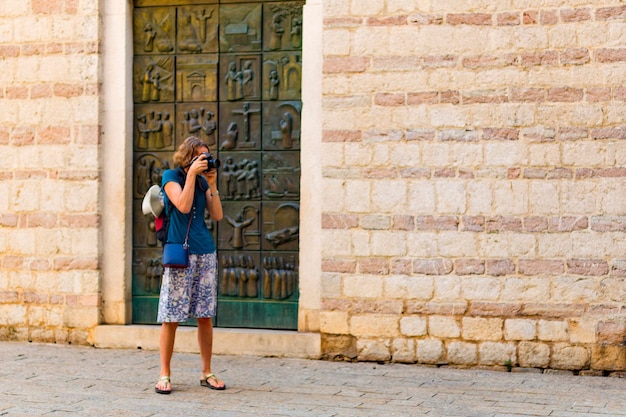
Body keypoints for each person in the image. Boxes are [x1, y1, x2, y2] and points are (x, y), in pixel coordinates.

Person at [154, 136, 225, 394]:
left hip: (204, 251)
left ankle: (207, 372)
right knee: (171, 316)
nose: (205, 160)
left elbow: (217, 215)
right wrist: (193, 176)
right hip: (180, 254)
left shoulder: (205, 180)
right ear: (188, 157)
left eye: (207, 156)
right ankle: (164, 374)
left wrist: (213, 184)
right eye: (200, 156)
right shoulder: (170, 176)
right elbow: (182, 206)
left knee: (205, 316)